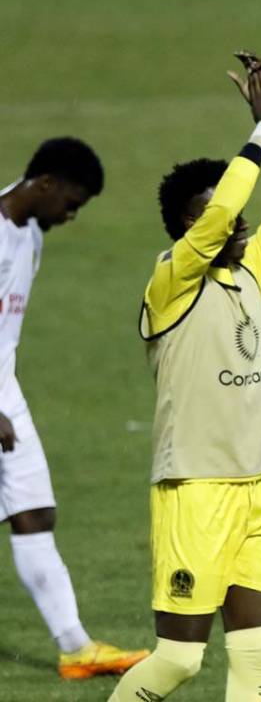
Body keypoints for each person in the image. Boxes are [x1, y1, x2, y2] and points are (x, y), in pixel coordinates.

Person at [110, 51, 261, 701]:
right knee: (177, 661)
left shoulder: (249, 271)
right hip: (195, 491)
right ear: (191, 224)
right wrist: (255, 133)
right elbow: (227, 204)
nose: (241, 223)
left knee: (256, 664)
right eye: (221, 217)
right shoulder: (171, 282)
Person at [0, 137, 149, 680]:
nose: (72, 215)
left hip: (4, 393)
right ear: (45, 185)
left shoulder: (30, 235)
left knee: (35, 511)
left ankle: (76, 648)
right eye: (72, 202)